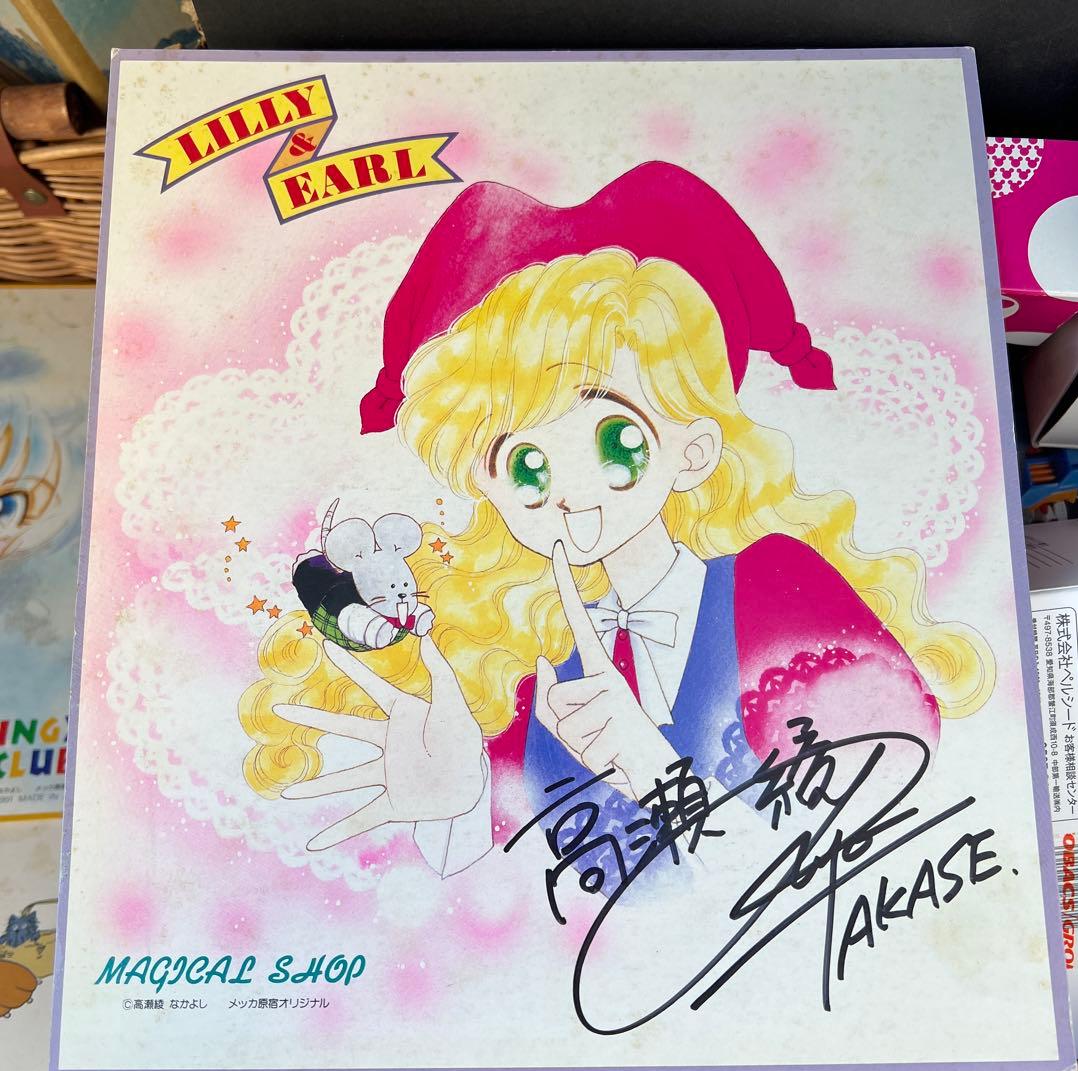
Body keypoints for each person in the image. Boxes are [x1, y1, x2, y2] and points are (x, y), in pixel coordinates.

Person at [238, 162, 994, 879]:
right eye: (526, 466)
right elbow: (519, 897)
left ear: (693, 450)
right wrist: (455, 810)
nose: (568, 492)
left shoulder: (777, 586)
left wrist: (661, 777)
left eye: (615, 442)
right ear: (487, 487)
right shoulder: (530, 659)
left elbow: (892, 833)